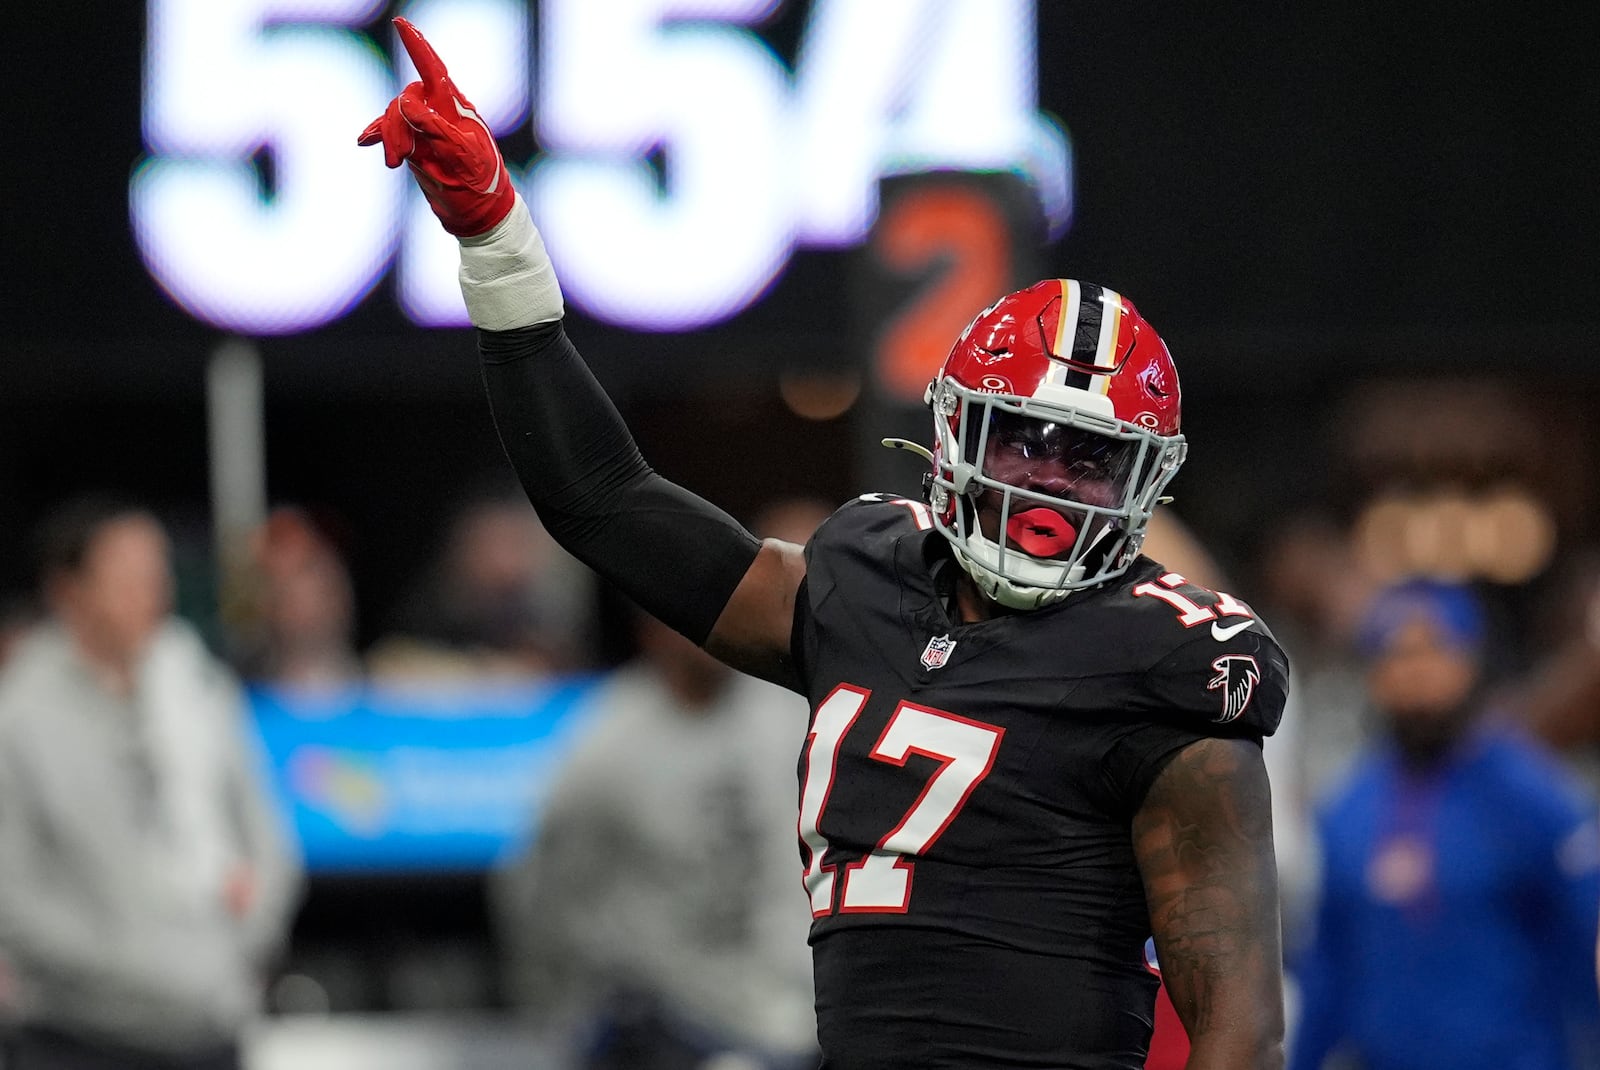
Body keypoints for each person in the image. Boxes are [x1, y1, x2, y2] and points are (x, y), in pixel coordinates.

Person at [360, 21, 1290, 1068]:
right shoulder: (864, 577)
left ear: (1143, 482)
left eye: (1088, 461)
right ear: (953, 432)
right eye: (1025, 444)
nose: (1048, 487)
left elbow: (1239, 1033)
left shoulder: (1167, 662)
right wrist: (496, 240)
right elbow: (603, 501)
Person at [0, 498, 304, 1069]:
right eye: (127, 577)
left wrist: (226, 954)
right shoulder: (19, 718)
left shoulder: (201, 690)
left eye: (157, 573)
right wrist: (147, 966)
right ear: (70, 590)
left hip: (209, 1027)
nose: (151, 592)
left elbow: (268, 844)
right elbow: (11, 896)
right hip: (79, 1038)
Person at [1289, 579, 1600, 1070]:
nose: (1417, 672)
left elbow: (1588, 947)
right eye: (1397, 653)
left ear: (1471, 660)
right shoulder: (1347, 810)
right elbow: (1328, 969)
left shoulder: (1534, 799)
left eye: (1435, 649)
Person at [492, 611, 816, 1069]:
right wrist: (567, 1014)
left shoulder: (787, 714)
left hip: (789, 1009)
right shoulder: (603, 747)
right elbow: (540, 897)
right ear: (652, 627)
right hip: (670, 1020)